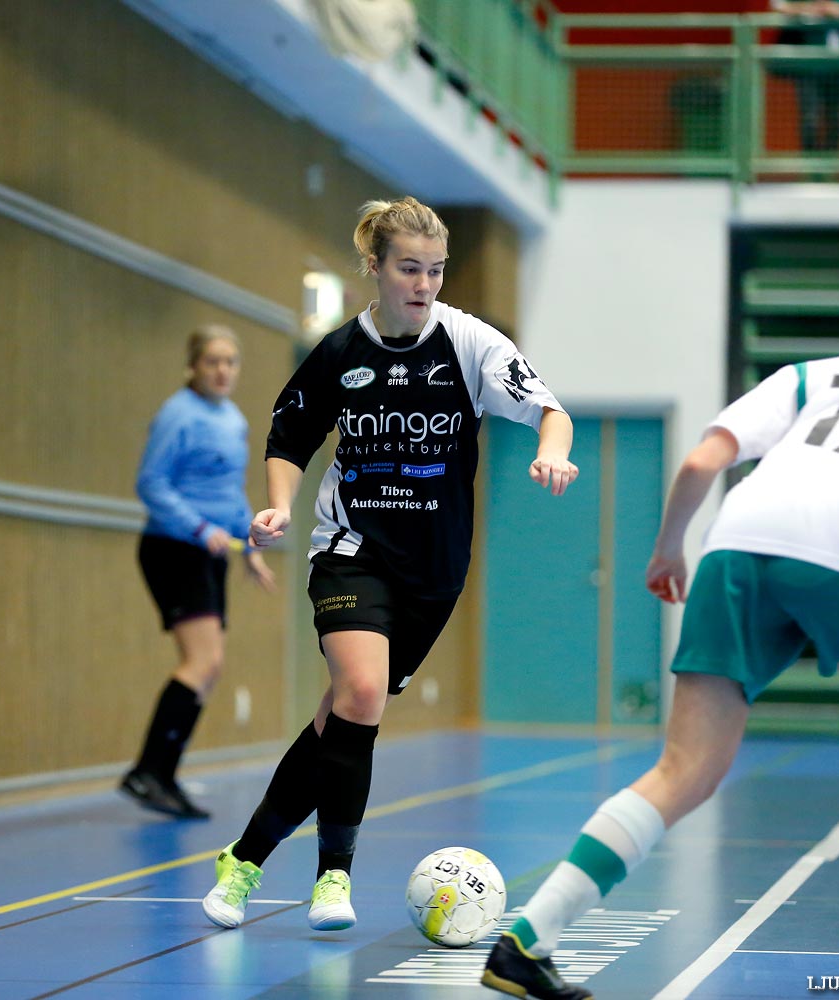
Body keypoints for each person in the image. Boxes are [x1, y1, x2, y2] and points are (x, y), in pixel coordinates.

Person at [480, 257, 839, 1000]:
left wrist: (669, 548)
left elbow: (702, 459)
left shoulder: (808, 375)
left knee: (682, 769)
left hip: (739, 543)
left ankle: (527, 940)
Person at [201, 196, 578, 933]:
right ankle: (332, 878)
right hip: (351, 550)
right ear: (374, 268)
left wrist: (551, 451)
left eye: (435, 270)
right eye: (409, 268)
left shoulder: (469, 344)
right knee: (364, 693)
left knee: (338, 720)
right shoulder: (342, 354)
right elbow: (288, 437)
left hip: (433, 573)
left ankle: (242, 859)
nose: (424, 284)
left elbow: (550, 411)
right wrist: (278, 505)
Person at [122, 325, 275, 820]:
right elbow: (151, 483)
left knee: (209, 671)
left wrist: (248, 545)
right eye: (212, 361)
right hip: (174, 548)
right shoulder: (178, 415)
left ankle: (162, 775)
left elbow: (229, 490)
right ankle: (147, 772)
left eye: (230, 361)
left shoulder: (231, 419)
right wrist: (196, 527)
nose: (223, 370)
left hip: (212, 550)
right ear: (193, 366)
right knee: (202, 662)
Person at [770, 0, 839, 157]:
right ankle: (810, 169)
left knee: (835, 119)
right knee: (810, 119)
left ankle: (831, 168)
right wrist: (808, 9)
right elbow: (778, 7)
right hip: (808, 67)